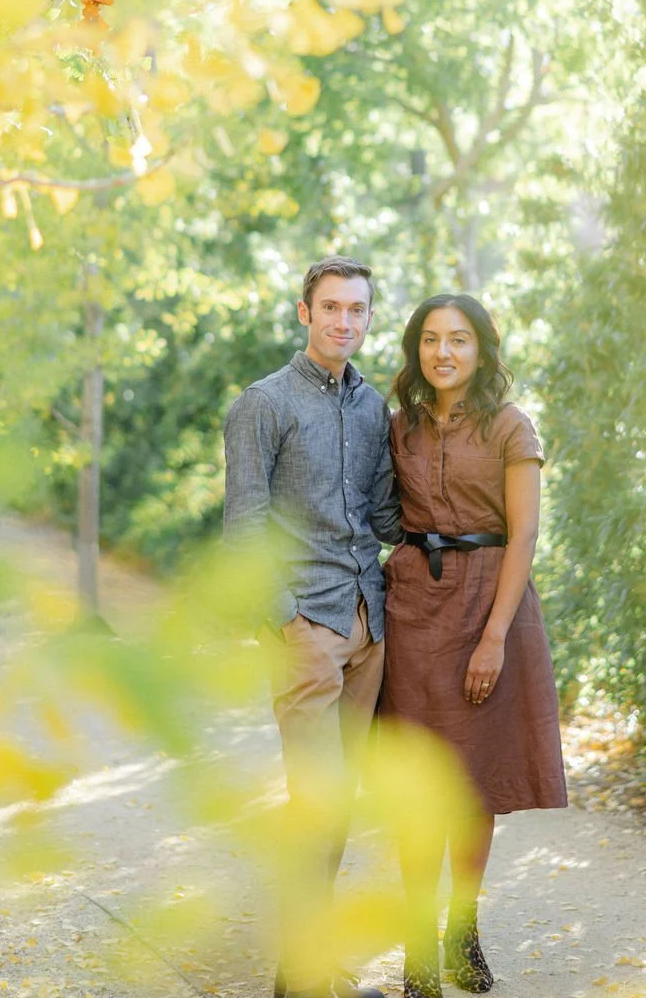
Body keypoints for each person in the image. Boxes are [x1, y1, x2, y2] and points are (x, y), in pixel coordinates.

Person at [223, 256, 402, 998]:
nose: (344, 322)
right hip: (307, 623)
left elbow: (387, 515)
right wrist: (284, 620)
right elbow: (244, 527)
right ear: (304, 314)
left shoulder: (373, 407)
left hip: (370, 624)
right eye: (330, 308)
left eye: (357, 310)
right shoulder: (261, 404)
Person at [379, 294, 567, 998]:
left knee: (473, 785)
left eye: (458, 340)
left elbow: (524, 536)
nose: (443, 352)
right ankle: (417, 945)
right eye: (430, 340)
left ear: (482, 350)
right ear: (416, 351)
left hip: (492, 605)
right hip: (414, 608)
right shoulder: (398, 427)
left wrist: (493, 636)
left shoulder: (510, 428)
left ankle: (462, 930)